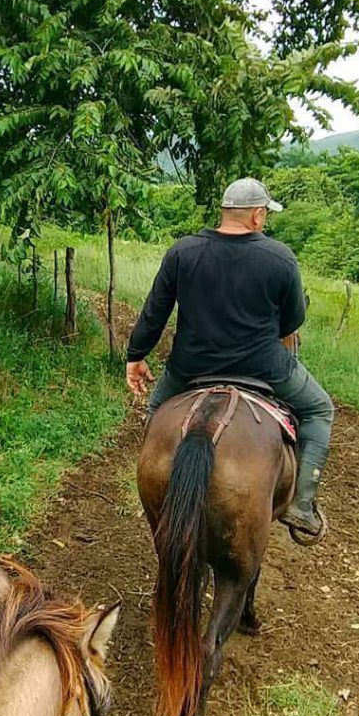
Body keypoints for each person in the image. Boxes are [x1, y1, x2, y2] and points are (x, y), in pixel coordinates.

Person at [124, 176, 334, 540]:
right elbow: (291, 322)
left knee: (157, 414)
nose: (264, 219)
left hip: (189, 367)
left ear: (224, 211)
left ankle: (156, 484)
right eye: (265, 213)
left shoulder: (182, 252)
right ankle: (302, 504)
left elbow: (154, 312)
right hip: (265, 368)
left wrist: (136, 355)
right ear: (256, 216)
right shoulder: (280, 257)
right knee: (319, 410)